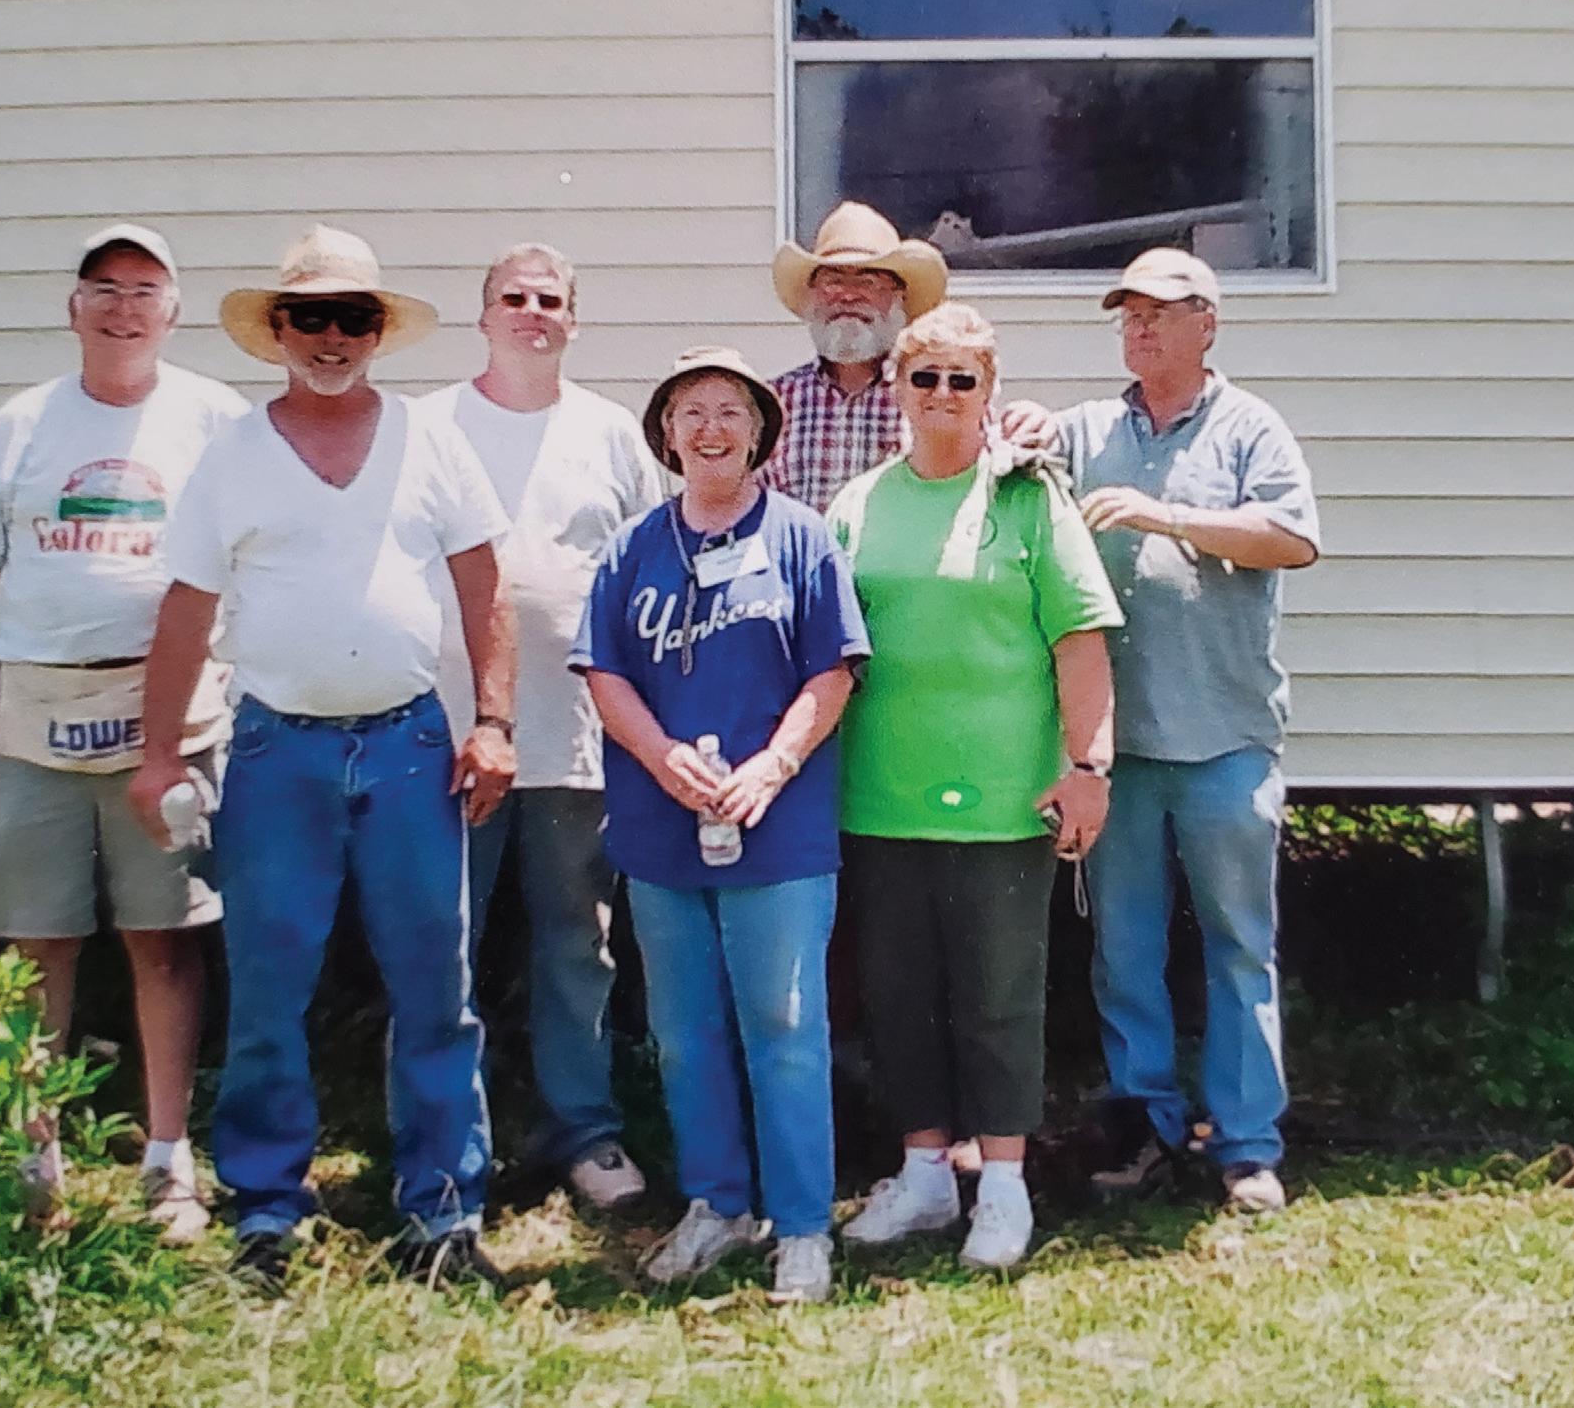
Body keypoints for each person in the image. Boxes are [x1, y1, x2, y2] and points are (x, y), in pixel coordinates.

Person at [128, 224, 519, 1291]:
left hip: (407, 751)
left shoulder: (430, 441)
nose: (332, 339)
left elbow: (485, 585)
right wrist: (159, 752)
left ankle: (442, 1216)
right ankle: (266, 1212)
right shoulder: (234, 455)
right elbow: (186, 608)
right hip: (274, 754)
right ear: (279, 331)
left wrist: (492, 723)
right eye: (312, 318)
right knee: (267, 989)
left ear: (378, 334)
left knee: (436, 989)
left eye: (353, 319)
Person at [0, 222, 245, 1245]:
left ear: (174, 309)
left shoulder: (214, 418)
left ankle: (167, 1158)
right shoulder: (21, 424)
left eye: (146, 289)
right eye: (104, 287)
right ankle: (32, 1155)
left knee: (164, 938)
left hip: (167, 711)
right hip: (31, 710)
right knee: (35, 940)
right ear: (74, 306)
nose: (124, 306)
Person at [571, 346, 868, 1304]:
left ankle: (802, 1225)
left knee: (784, 1023)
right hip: (662, 830)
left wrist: (774, 766)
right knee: (683, 1029)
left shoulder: (802, 539)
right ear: (666, 433)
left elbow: (834, 670)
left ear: (759, 433)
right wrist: (662, 759)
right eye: (691, 411)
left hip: (776, 829)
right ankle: (716, 1204)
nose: (710, 428)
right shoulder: (633, 547)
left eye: (730, 412)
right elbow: (605, 672)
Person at [827, 305, 1121, 1270]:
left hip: (1007, 801)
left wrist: (1088, 769)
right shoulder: (857, 505)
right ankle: (920, 1178)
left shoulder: (1031, 500)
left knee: (998, 999)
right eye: (925, 378)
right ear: (899, 390)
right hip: (879, 796)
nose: (943, 396)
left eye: (963, 379)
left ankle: (1001, 1186)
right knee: (899, 995)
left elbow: (1079, 644)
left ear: (990, 391)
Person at [1051, 248, 1321, 1216]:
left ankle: (1246, 1146)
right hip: (1116, 748)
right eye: (1126, 315)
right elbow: (1031, 474)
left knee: (1236, 945)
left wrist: (1166, 516)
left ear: (1207, 322)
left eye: (1160, 314)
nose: (1140, 329)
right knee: (1121, 951)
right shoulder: (1088, 428)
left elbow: (1291, 539)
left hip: (1224, 736)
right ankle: (1144, 1129)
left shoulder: (1249, 427)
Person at [419, 243, 664, 1211]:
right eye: (512, 298)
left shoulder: (609, 434)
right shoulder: (426, 427)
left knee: (576, 941)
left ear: (573, 321)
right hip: (445, 736)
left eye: (550, 300)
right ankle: (444, 1145)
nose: (531, 312)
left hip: (573, 738)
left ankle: (585, 1134)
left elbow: (647, 574)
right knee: (444, 944)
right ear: (481, 317)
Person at [763, 200, 949, 518]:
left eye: (868, 281)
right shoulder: (774, 403)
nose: (849, 295)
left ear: (898, 297)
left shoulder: (938, 394)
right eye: (833, 281)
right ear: (812, 295)